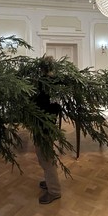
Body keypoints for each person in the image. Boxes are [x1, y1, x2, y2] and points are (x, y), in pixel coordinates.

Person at [33, 56, 62, 204]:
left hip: (44, 125)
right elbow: (56, 105)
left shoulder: (43, 84)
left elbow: (39, 102)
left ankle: (54, 191)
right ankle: (49, 181)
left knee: (45, 156)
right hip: (46, 123)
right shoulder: (54, 82)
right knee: (43, 154)